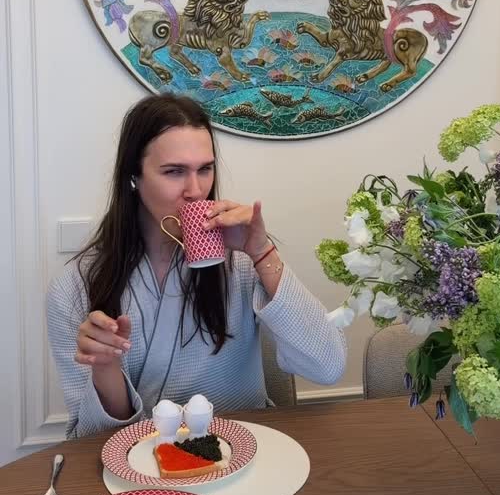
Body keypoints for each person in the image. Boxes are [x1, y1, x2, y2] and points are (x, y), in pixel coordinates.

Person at [47, 94, 346, 438]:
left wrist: (263, 253)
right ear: (133, 176)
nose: (196, 190)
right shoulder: (75, 286)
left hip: (243, 450)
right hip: (144, 461)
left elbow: (328, 366)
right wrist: (105, 369)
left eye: (205, 169)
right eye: (174, 172)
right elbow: (90, 439)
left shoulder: (242, 261)